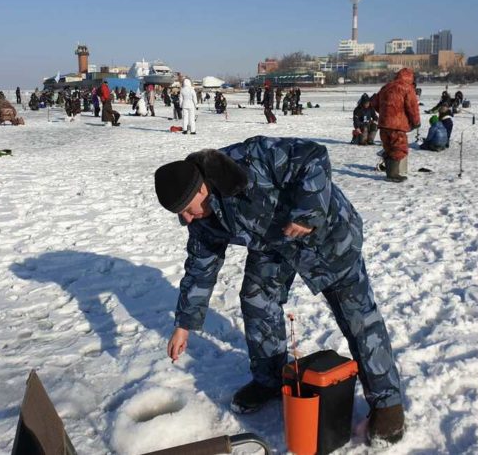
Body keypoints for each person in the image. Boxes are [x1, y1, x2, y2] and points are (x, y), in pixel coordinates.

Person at [154, 136, 405, 444]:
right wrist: (184, 323)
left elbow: (313, 157)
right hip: (273, 244)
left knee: (357, 316)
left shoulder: (249, 159)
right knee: (256, 299)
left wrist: (306, 213)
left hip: (326, 235)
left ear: (201, 189)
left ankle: (388, 406)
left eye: (187, 210)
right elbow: (200, 267)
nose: (186, 219)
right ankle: (270, 378)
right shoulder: (200, 218)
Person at [370, 68, 421, 182]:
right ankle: (393, 174)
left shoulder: (386, 87)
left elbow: (374, 102)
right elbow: (412, 108)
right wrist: (416, 122)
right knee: (399, 148)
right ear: (410, 78)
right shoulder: (408, 88)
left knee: (388, 148)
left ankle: (390, 173)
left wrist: (385, 113)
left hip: (383, 124)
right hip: (397, 125)